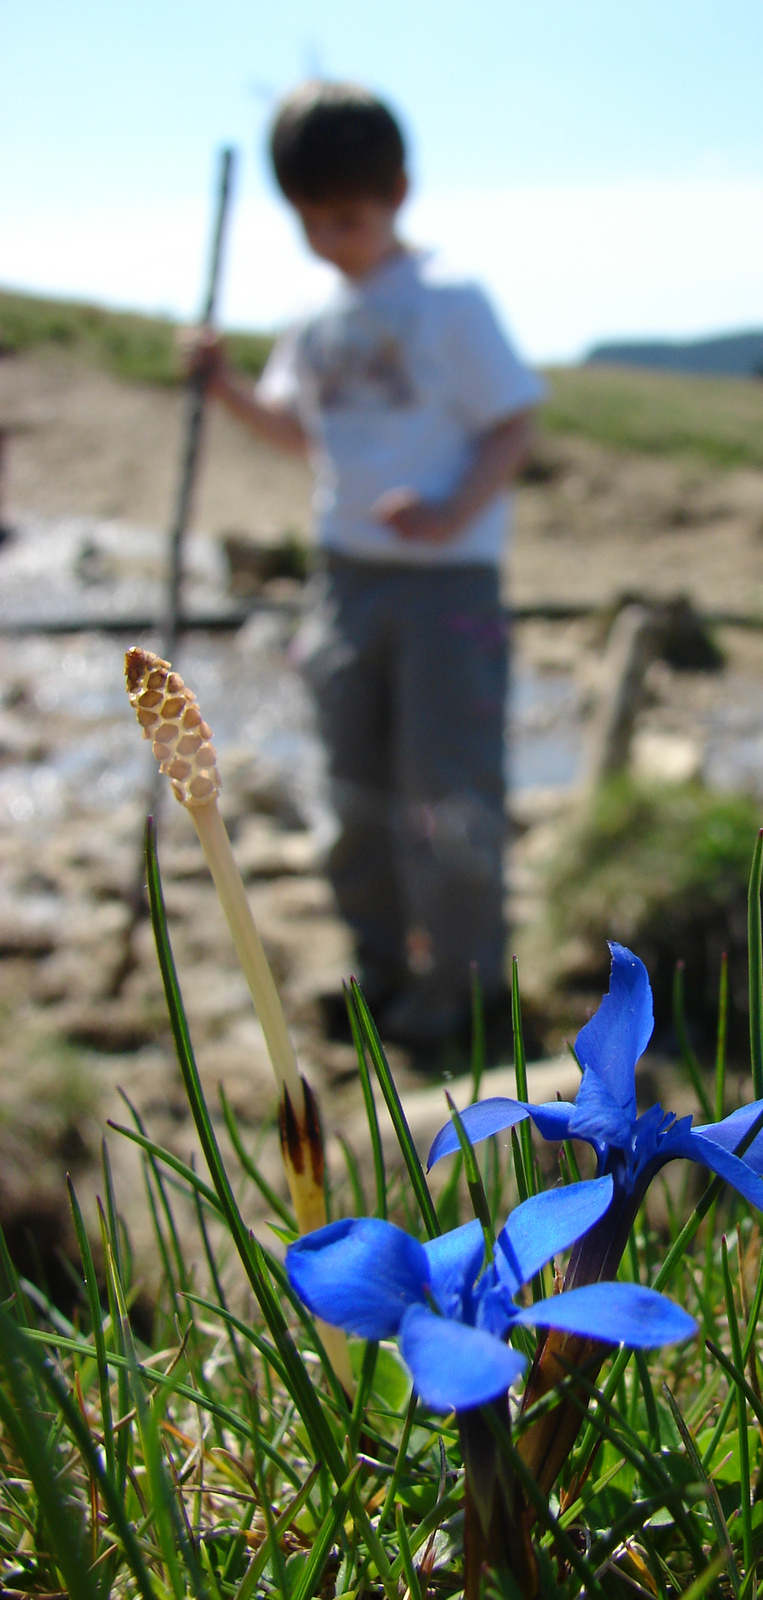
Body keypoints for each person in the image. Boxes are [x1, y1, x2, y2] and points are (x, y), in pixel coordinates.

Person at [185, 81, 543, 1053]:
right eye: (311, 221)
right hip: (343, 580)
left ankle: (464, 989)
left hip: (447, 587)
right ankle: (379, 965)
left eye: (347, 216)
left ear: (398, 192)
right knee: (352, 789)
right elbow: (299, 432)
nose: (331, 238)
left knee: (449, 792)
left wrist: (449, 512)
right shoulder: (314, 319)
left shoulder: (449, 304)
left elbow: (511, 422)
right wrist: (220, 387)